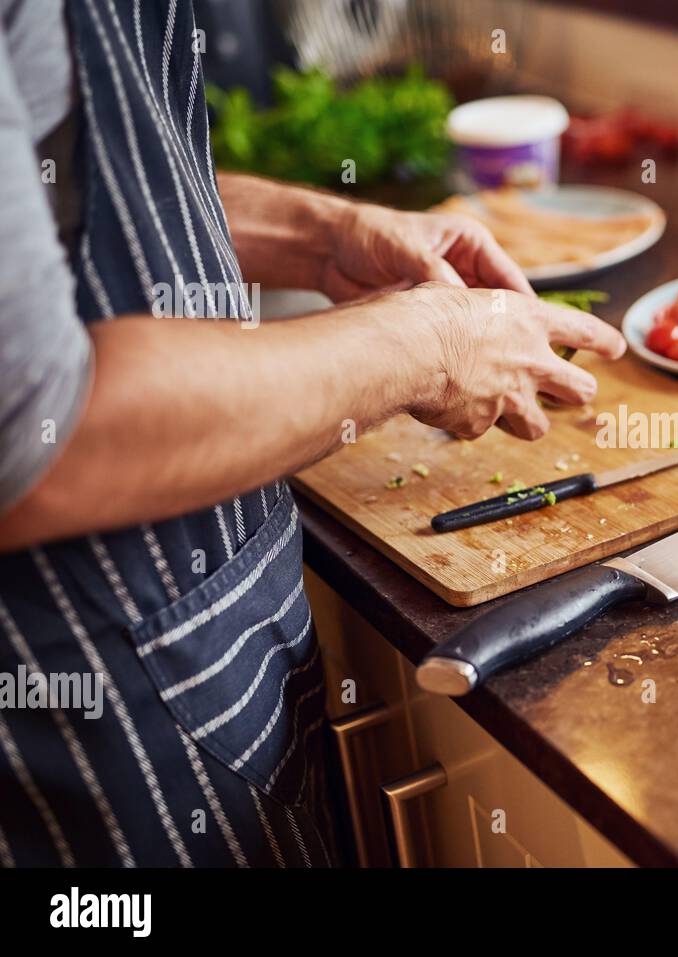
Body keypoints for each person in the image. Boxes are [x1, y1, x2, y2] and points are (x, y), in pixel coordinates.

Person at [0, 0, 624, 867]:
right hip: (77, 732)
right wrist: (428, 347)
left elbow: (57, 193)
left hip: (201, 649)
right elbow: (39, 440)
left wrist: (318, 235)